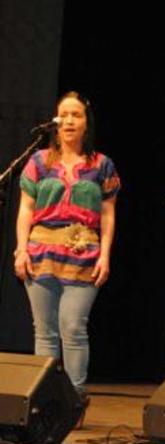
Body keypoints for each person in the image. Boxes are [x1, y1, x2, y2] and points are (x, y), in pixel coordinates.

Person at [15, 91, 121, 422]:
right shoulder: (38, 161)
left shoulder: (101, 165)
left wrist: (105, 255)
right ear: (56, 122)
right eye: (64, 114)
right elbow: (25, 209)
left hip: (83, 252)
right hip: (41, 250)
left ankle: (74, 402)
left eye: (76, 114)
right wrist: (21, 249)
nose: (70, 120)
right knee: (44, 331)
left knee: (73, 327)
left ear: (86, 122)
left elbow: (107, 214)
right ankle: (46, 403)